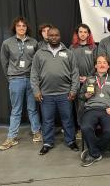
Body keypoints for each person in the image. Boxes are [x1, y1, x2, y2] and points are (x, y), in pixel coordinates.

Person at [30, 27, 80, 155]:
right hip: (46, 94)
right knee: (47, 120)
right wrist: (36, 91)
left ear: (60, 36)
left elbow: (75, 73)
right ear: (47, 36)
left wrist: (74, 90)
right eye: (51, 35)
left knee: (68, 119)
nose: (53, 37)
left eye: (56, 35)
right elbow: (34, 74)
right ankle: (47, 143)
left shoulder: (68, 53)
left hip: (65, 94)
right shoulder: (39, 53)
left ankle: (70, 141)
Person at [0, 16, 42, 151]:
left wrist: (35, 79)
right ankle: (12, 137)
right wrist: (11, 77)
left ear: (26, 28)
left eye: (23, 26)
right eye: (19, 26)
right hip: (15, 80)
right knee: (16, 110)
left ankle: (36, 131)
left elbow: (37, 62)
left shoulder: (34, 42)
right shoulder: (7, 43)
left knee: (32, 108)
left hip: (31, 79)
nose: (21, 28)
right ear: (15, 28)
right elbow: (4, 62)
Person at [78, 55, 110, 167]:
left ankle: (92, 150)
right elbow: (81, 96)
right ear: (95, 65)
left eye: (104, 62)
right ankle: (95, 153)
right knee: (85, 127)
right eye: (99, 62)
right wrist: (86, 95)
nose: (102, 65)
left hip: (107, 110)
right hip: (91, 109)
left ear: (108, 65)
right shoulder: (89, 79)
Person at [70, 23, 98, 139]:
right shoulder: (72, 48)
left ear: (88, 34)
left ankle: (92, 128)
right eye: (80, 32)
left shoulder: (93, 47)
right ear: (77, 34)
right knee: (79, 106)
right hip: (76, 81)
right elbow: (69, 65)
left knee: (90, 103)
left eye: (85, 32)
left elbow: (97, 64)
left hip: (90, 80)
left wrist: (88, 77)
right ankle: (81, 129)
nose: (83, 34)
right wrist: (76, 77)